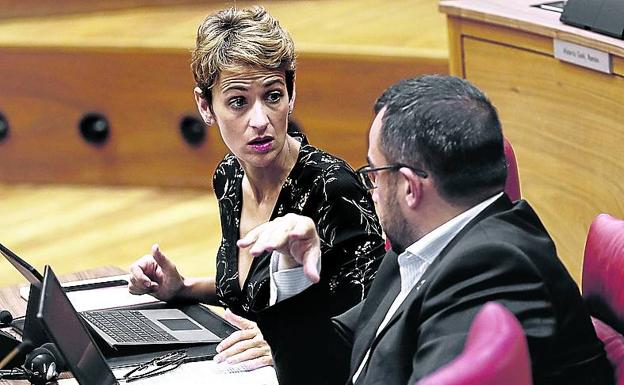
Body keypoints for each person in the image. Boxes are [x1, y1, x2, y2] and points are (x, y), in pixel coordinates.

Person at [238, 75, 614, 385]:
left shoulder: (495, 269)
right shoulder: (423, 244)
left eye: (372, 173)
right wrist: (292, 269)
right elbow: (339, 358)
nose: (370, 191)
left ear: (409, 187)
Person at [127, 6, 385, 376]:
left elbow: (380, 313)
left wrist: (281, 339)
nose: (260, 120)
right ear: (205, 106)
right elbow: (252, 291)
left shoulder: (332, 188)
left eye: (273, 96)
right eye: (238, 102)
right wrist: (182, 288)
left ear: (291, 95)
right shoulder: (229, 177)